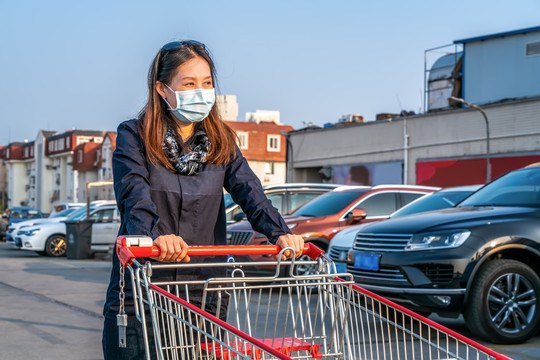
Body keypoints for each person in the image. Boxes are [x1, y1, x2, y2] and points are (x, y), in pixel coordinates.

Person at [102, 40, 304, 359]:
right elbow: (133, 193)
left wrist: (279, 232)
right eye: (190, 83)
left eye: (207, 83)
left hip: (202, 296)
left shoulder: (221, 141)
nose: (201, 91)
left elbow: (250, 191)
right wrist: (154, 237)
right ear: (162, 89)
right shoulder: (134, 136)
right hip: (144, 290)